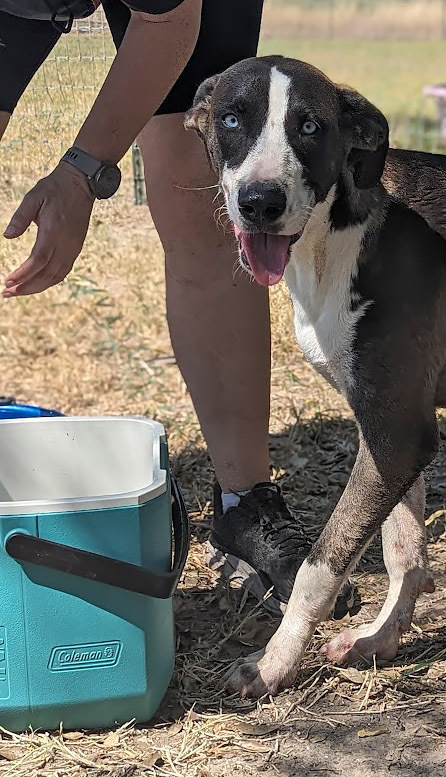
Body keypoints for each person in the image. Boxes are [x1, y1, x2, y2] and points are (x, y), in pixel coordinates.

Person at [0, 1, 358, 618]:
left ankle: (244, 503)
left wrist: (80, 173)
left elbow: (167, 23)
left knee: (199, 205)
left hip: (176, 10)